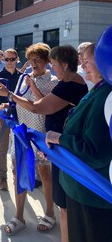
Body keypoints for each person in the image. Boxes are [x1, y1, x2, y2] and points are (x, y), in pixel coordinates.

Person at [0, 45, 88, 241]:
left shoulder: (57, 82)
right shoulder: (23, 78)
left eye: (39, 60)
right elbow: (22, 102)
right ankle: (19, 216)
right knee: (18, 170)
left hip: (44, 135)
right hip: (22, 133)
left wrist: (15, 93)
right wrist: (9, 104)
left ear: (49, 62)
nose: (34, 64)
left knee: (46, 175)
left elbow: (42, 107)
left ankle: (49, 213)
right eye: (31, 60)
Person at [46, 43, 112, 242]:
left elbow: (93, 151)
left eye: (87, 62)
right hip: (79, 189)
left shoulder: (105, 97)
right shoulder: (97, 91)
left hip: (91, 196)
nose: (82, 66)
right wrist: (56, 149)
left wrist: (59, 138)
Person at [0, 48, 21, 191]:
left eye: (12, 59)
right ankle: (3, 177)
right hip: (3, 115)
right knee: (2, 148)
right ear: (3, 60)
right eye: (6, 59)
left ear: (17, 59)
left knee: (20, 147)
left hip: (20, 116)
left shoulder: (22, 76)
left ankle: (19, 174)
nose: (9, 62)